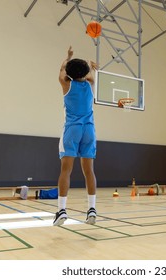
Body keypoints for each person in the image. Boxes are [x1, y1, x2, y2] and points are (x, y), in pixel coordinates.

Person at [53, 46, 98, 226]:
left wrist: (68, 57)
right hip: (89, 131)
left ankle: (62, 210)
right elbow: (89, 76)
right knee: (89, 172)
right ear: (85, 73)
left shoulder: (67, 84)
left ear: (70, 73)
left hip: (72, 130)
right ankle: (92, 209)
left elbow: (61, 71)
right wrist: (92, 68)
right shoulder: (90, 84)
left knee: (66, 170)